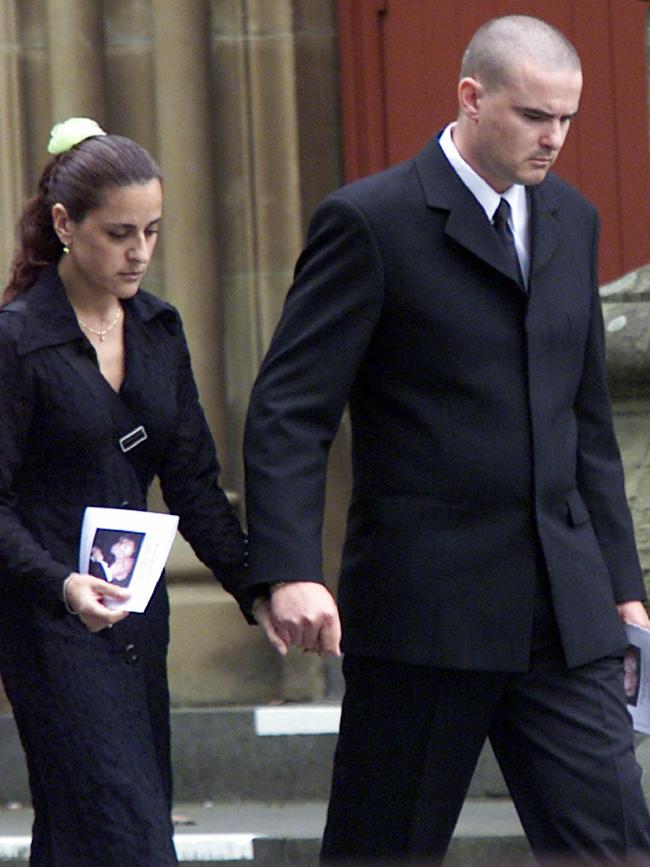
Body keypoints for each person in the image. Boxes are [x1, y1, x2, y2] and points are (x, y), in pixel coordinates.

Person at [243, 14, 650, 865]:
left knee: (613, 844)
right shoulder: (370, 222)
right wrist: (287, 570)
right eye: (536, 115)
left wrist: (621, 582)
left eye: (568, 118)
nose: (556, 138)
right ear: (471, 98)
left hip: (563, 613)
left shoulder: (571, 220)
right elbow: (291, 406)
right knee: (381, 850)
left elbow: (587, 421)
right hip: (427, 613)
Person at [0, 117, 248, 866]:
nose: (139, 251)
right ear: (65, 225)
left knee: (87, 833)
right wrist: (62, 583)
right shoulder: (16, 341)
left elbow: (196, 485)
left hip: (138, 616)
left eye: (153, 230)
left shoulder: (160, 330)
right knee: (127, 832)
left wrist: (263, 588)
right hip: (48, 615)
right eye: (118, 233)